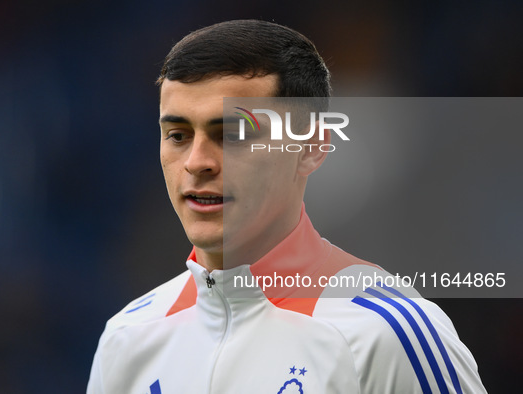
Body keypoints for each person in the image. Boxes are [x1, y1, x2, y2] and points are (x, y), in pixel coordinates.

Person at [87, 20, 486, 393]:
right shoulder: (127, 339)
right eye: (177, 134)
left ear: (311, 149)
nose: (196, 161)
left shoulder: (386, 332)